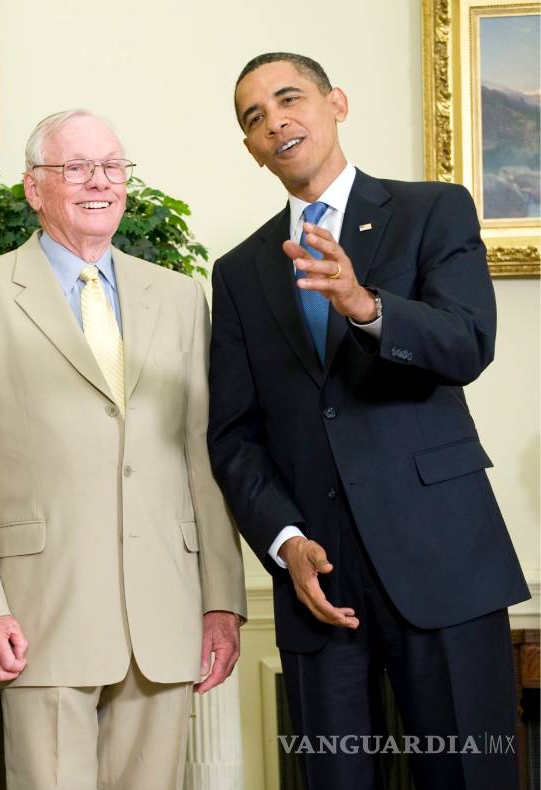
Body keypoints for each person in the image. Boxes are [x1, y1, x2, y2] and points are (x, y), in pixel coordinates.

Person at [209, 52, 529, 790]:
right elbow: (234, 435)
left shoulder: (433, 209)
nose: (274, 121)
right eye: (254, 118)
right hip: (320, 578)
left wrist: (369, 307)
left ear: (336, 103)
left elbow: (467, 342)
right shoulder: (239, 271)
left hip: (442, 556)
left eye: (288, 99)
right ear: (253, 150)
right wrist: (285, 542)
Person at [0, 110, 246, 790]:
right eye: (75, 167)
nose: (99, 182)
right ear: (34, 188)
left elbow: (202, 460)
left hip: (165, 611)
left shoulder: (182, 298)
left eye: (112, 166)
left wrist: (221, 598)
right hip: (39, 610)